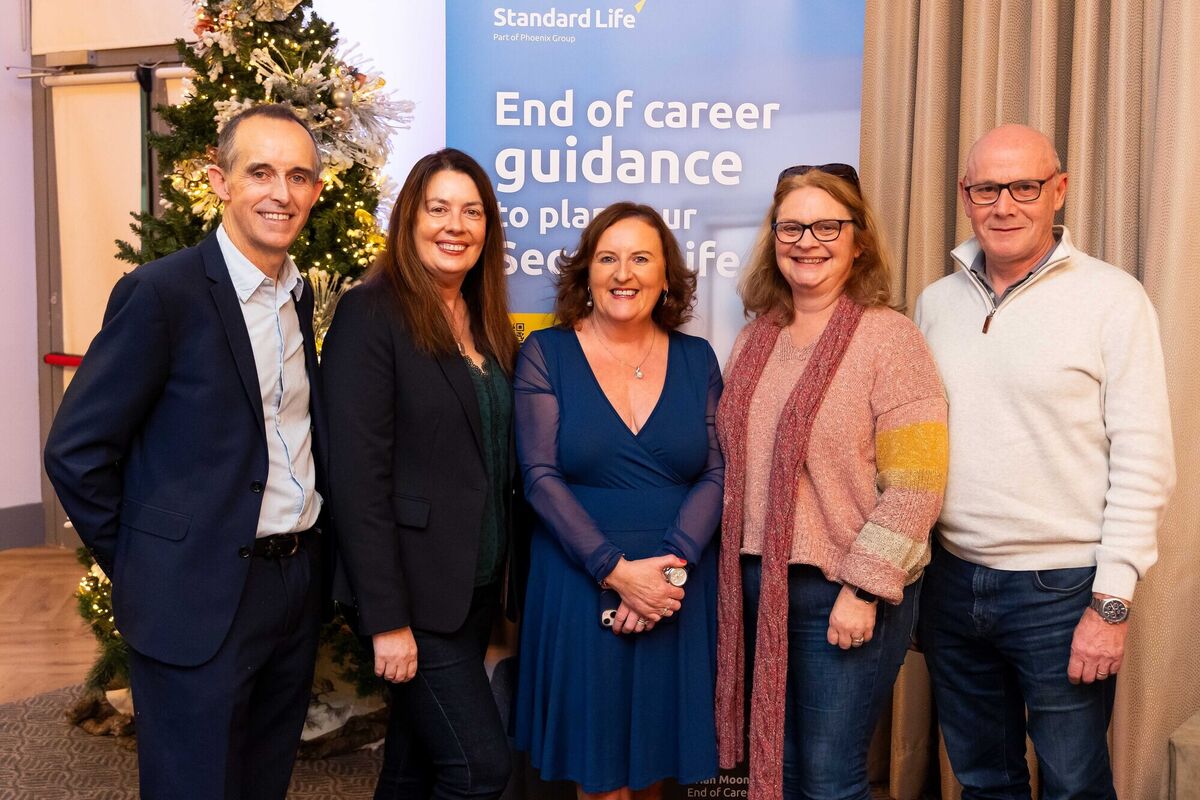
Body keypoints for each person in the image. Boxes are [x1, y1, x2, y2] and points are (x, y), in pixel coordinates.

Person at [43, 104, 328, 799]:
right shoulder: (160, 293)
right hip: (193, 594)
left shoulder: (298, 293)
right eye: (259, 172)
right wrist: (149, 564)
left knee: (263, 781)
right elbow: (75, 451)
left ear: (317, 191)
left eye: (298, 176)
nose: (280, 193)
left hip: (293, 586)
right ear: (218, 181)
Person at [914, 124, 1175, 799]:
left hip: (1060, 592)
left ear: (1057, 190)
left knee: (1073, 784)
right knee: (981, 781)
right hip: (951, 582)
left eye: (1024, 186)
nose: (1005, 205)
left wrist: (1111, 604)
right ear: (965, 196)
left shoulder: (1113, 301)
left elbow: (1145, 458)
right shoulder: (936, 304)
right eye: (986, 189)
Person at [714, 164, 949, 800]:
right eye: (791, 226)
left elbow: (918, 484)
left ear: (858, 239)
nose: (806, 240)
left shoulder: (889, 339)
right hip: (758, 585)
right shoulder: (757, 338)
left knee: (829, 775)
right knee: (781, 767)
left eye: (826, 226)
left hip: (841, 588)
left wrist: (865, 589)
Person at [322, 148, 520, 799]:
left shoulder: (485, 320)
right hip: (412, 598)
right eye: (438, 209)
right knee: (478, 767)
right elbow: (357, 481)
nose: (455, 225)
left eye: (471, 212)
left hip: (473, 589)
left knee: (413, 766)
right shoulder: (371, 313)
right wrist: (387, 620)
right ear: (410, 218)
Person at [511, 202, 724, 798]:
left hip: (675, 582)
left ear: (665, 277)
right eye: (607, 258)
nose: (622, 273)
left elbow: (717, 471)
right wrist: (616, 572)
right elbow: (539, 476)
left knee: (658, 766)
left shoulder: (696, 358)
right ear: (586, 273)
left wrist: (670, 570)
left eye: (640, 258)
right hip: (579, 579)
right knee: (600, 774)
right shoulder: (545, 354)